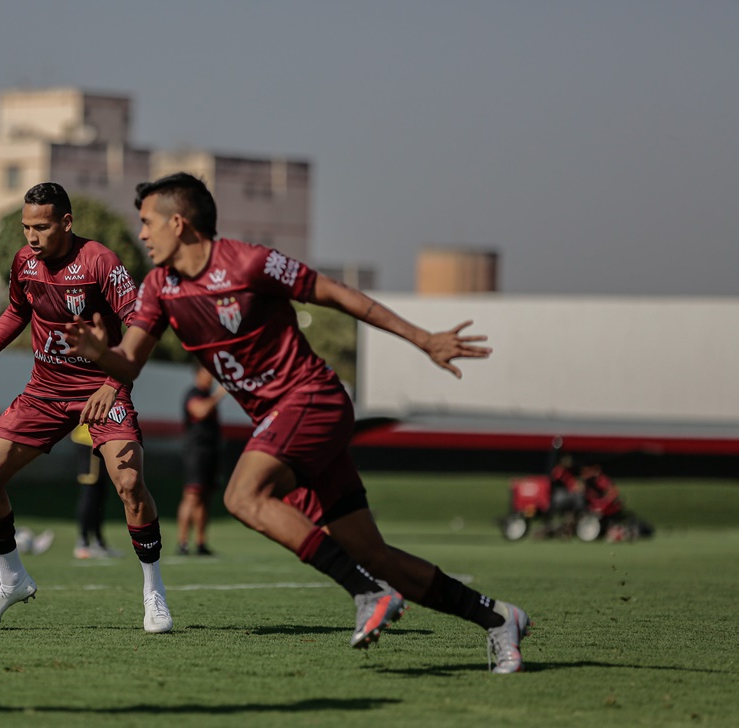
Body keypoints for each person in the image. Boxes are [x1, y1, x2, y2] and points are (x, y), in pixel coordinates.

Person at [65, 172, 532, 673]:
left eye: (147, 222)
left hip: (314, 399)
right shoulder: (159, 287)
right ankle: (498, 618)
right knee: (373, 553)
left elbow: (342, 296)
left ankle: (365, 593)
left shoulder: (250, 262)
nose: (142, 234)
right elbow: (129, 362)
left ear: (178, 223)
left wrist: (423, 340)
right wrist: (99, 354)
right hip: (283, 422)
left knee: (241, 495)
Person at [0, 182, 172, 633]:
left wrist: (114, 382)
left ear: (66, 223)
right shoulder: (24, 262)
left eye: (42, 227)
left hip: (100, 389)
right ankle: (11, 578)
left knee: (130, 483)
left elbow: (140, 324)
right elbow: (16, 311)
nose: (32, 237)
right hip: (45, 391)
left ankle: (154, 591)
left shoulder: (100, 262)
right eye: (26, 227)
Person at [176, 364, 227, 556]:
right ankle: (182, 542)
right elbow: (200, 411)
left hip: (211, 452)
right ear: (198, 374)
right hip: (196, 452)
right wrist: (219, 394)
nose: (211, 377)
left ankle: (200, 542)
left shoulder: (207, 394)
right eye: (207, 373)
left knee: (205, 497)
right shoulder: (193, 393)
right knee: (192, 496)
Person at [71, 424, 120, 558]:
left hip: (102, 440)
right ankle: (83, 541)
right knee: (90, 492)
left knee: (100, 493)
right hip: (89, 441)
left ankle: (98, 541)